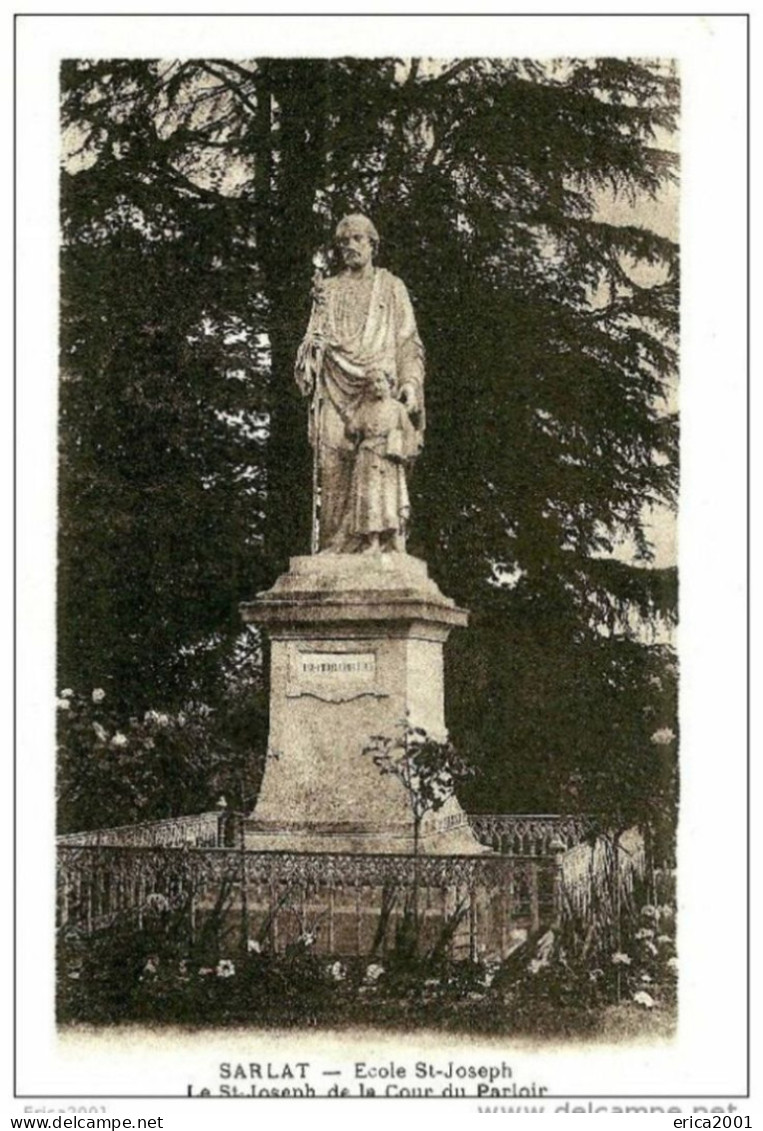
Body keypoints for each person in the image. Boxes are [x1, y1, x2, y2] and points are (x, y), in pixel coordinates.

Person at [294, 214, 425, 552]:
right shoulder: (329, 290)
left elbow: (408, 343)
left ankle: (378, 542)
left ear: (372, 244)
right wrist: (314, 349)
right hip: (334, 387)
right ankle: (334, 549)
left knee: (379, 469)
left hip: (378, 392)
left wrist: (410, 382)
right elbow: (310, 344)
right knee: (331, 463)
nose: (349, 246)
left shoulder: (391, 288)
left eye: (356, 239)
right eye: (343, 242)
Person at [344, 368, 417, 553]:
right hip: (367, 458)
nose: (376, 386)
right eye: (372, 383)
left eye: (380, 381)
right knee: (370, 499)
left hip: (388, 459)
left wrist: (402, 450)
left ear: (388, 383)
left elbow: (409, 434)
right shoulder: (365, 408)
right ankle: (373, 541)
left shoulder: (397, 408)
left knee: (389, 499)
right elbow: (352, 430)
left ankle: (393, 539)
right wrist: (349, 419)